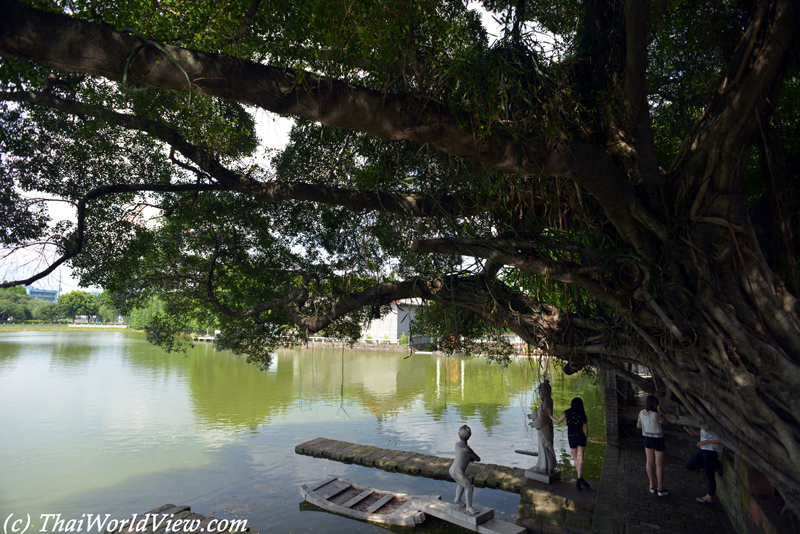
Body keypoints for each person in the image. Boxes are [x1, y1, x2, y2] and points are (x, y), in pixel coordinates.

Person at [551, 397, 590, 491]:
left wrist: (549, 415)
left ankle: (579, 479)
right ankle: (580, 479)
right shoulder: (582, 413)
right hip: (580, 436)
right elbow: (586, 430)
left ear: (572, 404)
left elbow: (557, 422)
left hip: (571, 437)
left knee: (576, 459)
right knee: (580, 458)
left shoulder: (567, 413)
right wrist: (585, 439)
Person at [637, 395, 668, 496]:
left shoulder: (641, 413)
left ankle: (651, 485)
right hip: (657, 439)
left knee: (649, 462)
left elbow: (638, 426)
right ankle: (660, 487)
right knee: (659, 464)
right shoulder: (656, 414)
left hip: (647, 439)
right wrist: (661, 413)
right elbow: (665, 423)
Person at [686, 426, 722, 505]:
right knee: (689, 465)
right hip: (703, 449)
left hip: (711, 451)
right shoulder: (704, 423)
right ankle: (715, 464)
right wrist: (695, 433)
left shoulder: (713, 425)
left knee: (710, 475)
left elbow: (720, 440)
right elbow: (706, 435)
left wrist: (705, 442)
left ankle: (709, 497)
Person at [449, 424, 482, 514]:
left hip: (452, 470)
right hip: (458, 472)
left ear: (458, 434)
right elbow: (478, 459)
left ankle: (457, 499)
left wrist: (468, 458)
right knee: (469, 488)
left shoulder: (457, 444)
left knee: (462, 484)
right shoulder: (468, 450)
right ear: (470, 436)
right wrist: (471, 458)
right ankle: (469, 507)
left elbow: (461, 456)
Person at [527, 380, 557, 474]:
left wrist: (534, 423)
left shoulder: (546, 402)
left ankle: (546, 467)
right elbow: (541, 413)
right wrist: (532, 415)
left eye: (540, 392)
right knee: (544, 446)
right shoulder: (547, 401)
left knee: (545, 446)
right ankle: (545, 466)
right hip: (545, 427)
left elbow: (543, 418)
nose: (539, 394)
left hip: (544, 428)